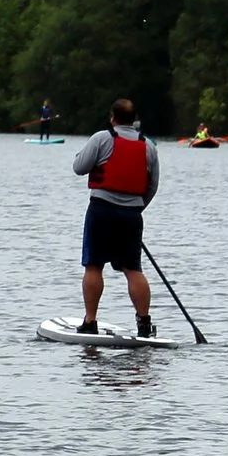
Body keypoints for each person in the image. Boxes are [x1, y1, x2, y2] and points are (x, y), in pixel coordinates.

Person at [71, 99, 161, 338]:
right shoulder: (148, 146)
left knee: (94, 265)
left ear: (113, 118)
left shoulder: (102, 138)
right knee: (133, 269)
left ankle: (90, 321)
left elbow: (79, 167)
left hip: (101, 210)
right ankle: (144, 324)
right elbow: (152, 186)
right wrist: (135, 209)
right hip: (132, 215)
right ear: (134, 120)